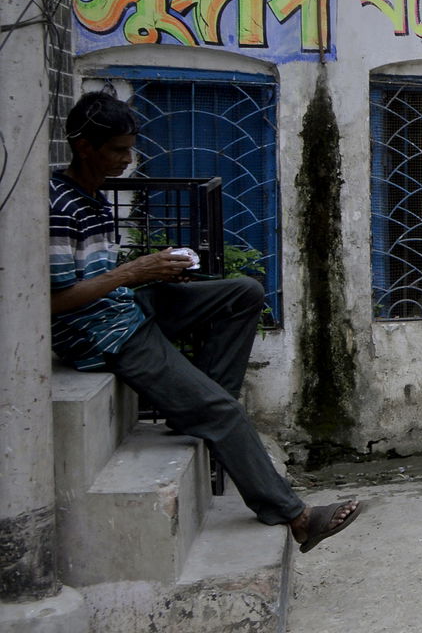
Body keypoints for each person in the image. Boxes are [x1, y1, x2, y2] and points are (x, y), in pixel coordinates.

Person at [49, 90, 361, 553]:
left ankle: (198, 408)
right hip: (99, 333)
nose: (127, 159)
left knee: (244, 293)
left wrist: (157, 270)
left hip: (123, 306)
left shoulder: (91, 196)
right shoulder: (59, 208)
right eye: (117, 150)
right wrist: (133, 272)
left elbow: (107, 279)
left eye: (129, 148)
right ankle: (295, 517)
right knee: (223, 411)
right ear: (85, 147)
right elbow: (52, 302)